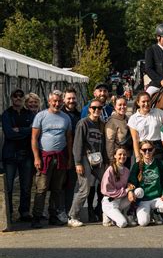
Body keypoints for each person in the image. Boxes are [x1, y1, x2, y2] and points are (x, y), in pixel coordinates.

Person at [31, 90, 73, 228]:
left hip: (60, 156)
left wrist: (69, 158)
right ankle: (36, 216)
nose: (57, 103)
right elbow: (34, 138)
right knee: (41, 188)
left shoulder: (65, 118)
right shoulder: (41, 116)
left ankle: (53, 215)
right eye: (54, 101)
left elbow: (69, 138)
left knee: (57, 189)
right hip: (45, 157)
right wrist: (37, 157)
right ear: (49, 101)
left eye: (59, 101)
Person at [68, 98, 108, 227]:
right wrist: (78, 162)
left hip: (98, 158)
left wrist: (106, 161)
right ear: (89, 109)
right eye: (94, 108)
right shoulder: (83, 123)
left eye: (99, 108)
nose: (97, 110)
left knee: (106, 184)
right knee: (84, 189)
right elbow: (77, 144)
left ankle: (104, 212)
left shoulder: (101, 124)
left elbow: (103, 145)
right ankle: (73, 216)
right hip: (86, 157)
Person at [2, 88, 35, 222]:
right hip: (10, 155)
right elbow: (9, 133)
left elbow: (33, 130)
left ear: (23, 99)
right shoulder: (6, 114)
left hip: (26, 154)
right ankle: (8, 212)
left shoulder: (30, 114)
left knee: (26, 186)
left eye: (20, 96)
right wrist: (25, 132)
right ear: (11, 98)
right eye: (15, 96)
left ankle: (24, 211)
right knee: (8, 187)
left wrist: (20, 130)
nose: (18, 98)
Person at [128, 141, 163, 227]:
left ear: (154, 150)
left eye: (150, 149)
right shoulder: (137, 166)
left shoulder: (160, 164)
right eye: (144, 150)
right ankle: (149, 214)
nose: (147, 152)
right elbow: (131, 181)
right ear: (140, 151)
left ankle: (156, 213)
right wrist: (130, 191)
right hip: (143, 200)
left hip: (157, 198)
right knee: (143, 223)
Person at [101, 147, 134, 228]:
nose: (122, 156)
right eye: (120, 154)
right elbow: (108, 190)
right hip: (110, 202)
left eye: (124, 155)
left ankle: (125, 214)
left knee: (137, 192)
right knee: (122, 223)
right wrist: (126, 190)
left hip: (120, 201)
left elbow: (128, 185)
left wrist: (130, 190)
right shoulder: (110, 170)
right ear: (115, 156)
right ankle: (108, 215)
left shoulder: (126, 170)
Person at [128, 92, 163, 162]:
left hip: (158, 148)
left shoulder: (159, 113)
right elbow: (135, 139)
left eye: (148, 101)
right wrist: (137, 156)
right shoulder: (133, 118)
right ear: (138, 102)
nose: (146, 104)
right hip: (142, 149)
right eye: (143, 101)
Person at [61, 87, 82, 216]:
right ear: (64, 100)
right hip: (61, 153)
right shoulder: (59, 115)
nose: (71, 101)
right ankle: (59, 210)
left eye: (73, 98)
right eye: (69, 98)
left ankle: (68, 210)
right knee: (58, 185)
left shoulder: (80, 115)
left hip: (75, 154)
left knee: (71, 184)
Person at [105, 96, 132, 167]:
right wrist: (111, 159)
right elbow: (109, 142)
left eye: (124, 104)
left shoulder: (128, 119)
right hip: (118, 158)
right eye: (120, 105)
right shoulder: (112, 122)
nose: (122, 107)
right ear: (115, 107)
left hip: (128, 155)